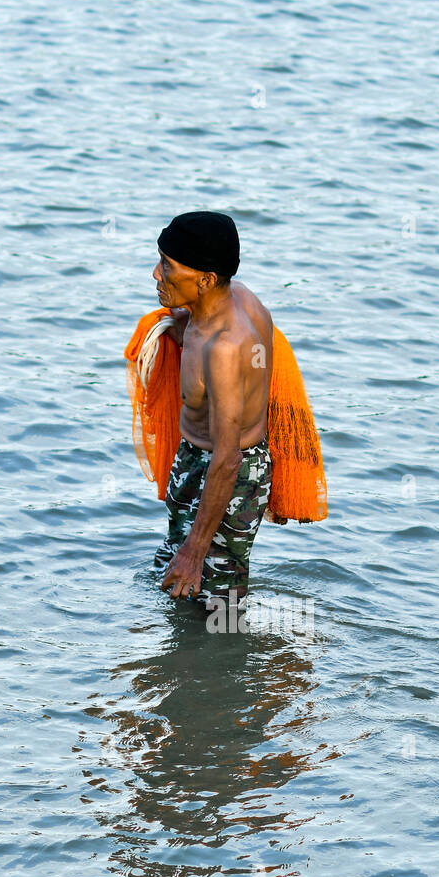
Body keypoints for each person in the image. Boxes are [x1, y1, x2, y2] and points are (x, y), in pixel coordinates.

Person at [150, 211, 273, 603]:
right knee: (179, 590)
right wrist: (181, 323)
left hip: (227, 473)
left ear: (204, 280)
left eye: (167, 266)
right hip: (198, 457)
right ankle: (195, 663)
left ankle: (231, 660)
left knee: (217, 604)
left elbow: (228, 458)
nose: (156, 274)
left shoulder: (224, 348)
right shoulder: (236, 298)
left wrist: (195, 549)